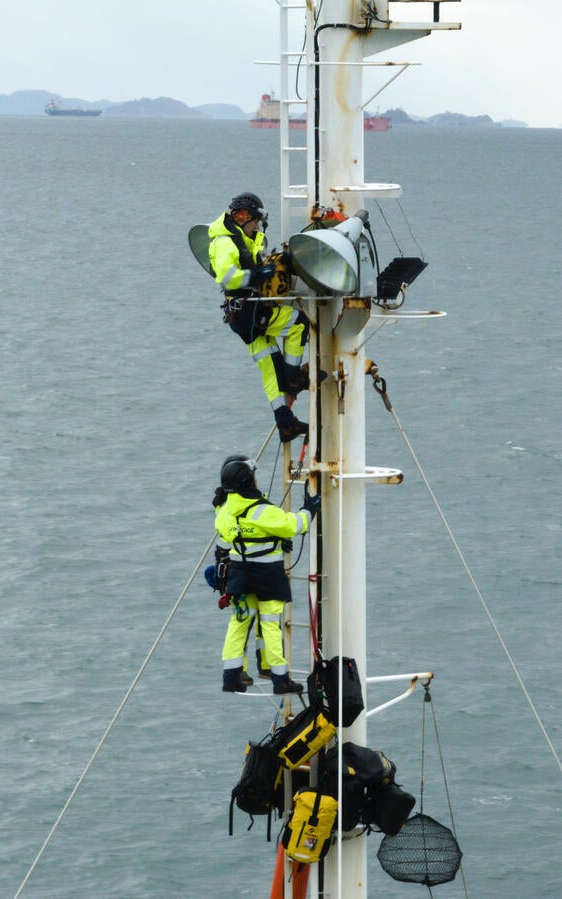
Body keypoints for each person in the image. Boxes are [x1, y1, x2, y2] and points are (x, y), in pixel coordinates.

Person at [213, 454, 320, 694]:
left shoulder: (224, 511)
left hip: (240, 576)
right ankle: (280, 679)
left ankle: (231, 677)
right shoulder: (263, 512)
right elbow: (294, 525)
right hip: (268, 577)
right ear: (249, 482)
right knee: (271, 625)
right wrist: (309, 509)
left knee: (239, 622)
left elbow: (232, 535)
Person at [207, 192, 310, 443]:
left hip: (240, 315)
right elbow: (228, 276)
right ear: (243, 217)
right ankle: (294, 377)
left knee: (270, 365)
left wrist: (270, 264)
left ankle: (285, 423)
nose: (255, 226)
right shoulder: (225, 242)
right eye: (253, 220)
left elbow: (250, 263)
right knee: (298, 323)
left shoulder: (242, 238)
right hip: (250, 310)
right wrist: (259, 275)